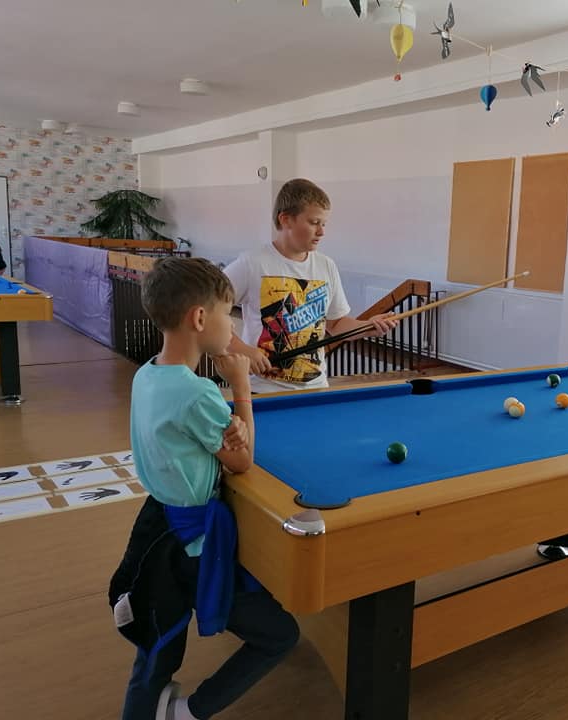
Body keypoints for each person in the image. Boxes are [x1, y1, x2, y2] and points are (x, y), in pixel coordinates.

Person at [109, 257, 300, 720]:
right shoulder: (198, 394)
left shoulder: (147, 373)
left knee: (160, 643)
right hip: (195, 547)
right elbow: (242, 460)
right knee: (279, 635)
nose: (230, 326)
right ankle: (190, 712)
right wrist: (241, 388)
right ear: (199, 318)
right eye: (226, 315)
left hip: (157, 528)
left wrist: (228, 424)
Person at [224, 178, 397, 393]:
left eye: (323, 224)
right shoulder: (251, 263)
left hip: (316, 387)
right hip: (263, 389)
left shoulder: (326, 266)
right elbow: (209, 313)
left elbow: (336, 324)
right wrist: (242, 349)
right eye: (314, 222)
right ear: (286, 220)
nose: (321, 232)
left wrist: (368, 326)